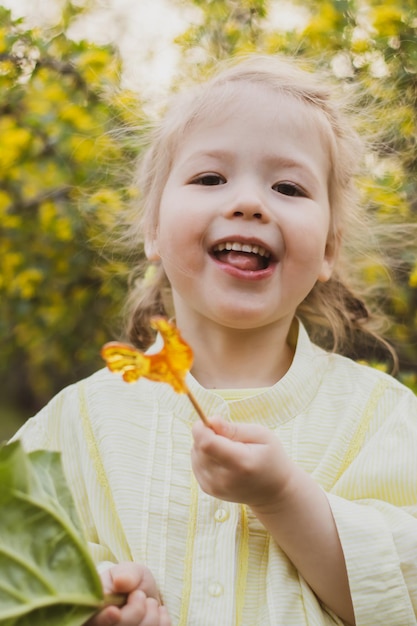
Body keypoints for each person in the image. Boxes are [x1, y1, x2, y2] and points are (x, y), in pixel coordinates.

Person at [12, 54, 417, 626]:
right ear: (153, 227)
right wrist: (86, 599)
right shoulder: (73, 426)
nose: (249, 203)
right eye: (210, 178)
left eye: (287, 186)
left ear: (328, 246)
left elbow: (405, 591)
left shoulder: (387, 422)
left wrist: (283, 498)